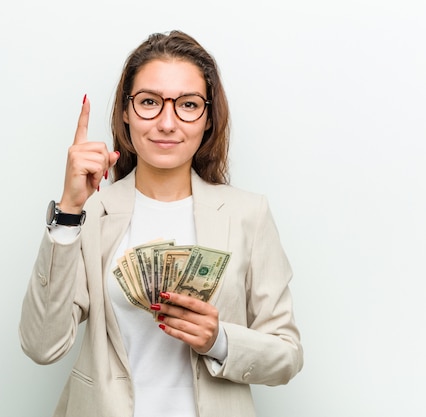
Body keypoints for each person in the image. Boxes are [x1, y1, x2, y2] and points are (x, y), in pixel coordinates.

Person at [19, 30, 303, 417]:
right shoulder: (93, 214)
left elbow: (287, 353)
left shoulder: (247, 214)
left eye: (187, 105)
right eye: (149, 102)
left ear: (207, 118)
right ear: (125, 111)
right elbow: (42, 345)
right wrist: (68, 212)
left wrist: (218, 340)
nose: (167, 123)